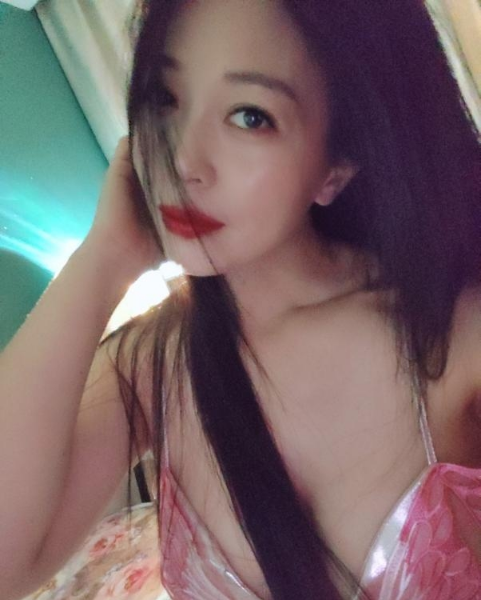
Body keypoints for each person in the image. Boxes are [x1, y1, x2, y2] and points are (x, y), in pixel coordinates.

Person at [1, 0, 481, 599]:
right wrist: (102, 261)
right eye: (164, 98)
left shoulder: (452, 335)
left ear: (336, 167)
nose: (184, 160)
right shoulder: (154, 363)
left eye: (251, 116)